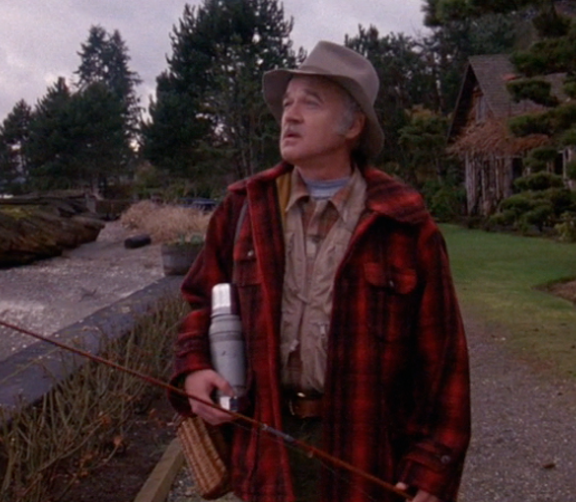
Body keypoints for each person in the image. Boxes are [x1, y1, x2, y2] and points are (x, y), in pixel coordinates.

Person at [170, 41, 470, 502]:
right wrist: (194, 370)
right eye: (287, 103)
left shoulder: (404, 224)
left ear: (353, 125)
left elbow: (444, 361)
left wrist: (432, 467)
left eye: (310, 103)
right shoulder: (243, 209)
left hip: (368, 457)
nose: (289, 115)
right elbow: (199, 301)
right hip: (266, 451)